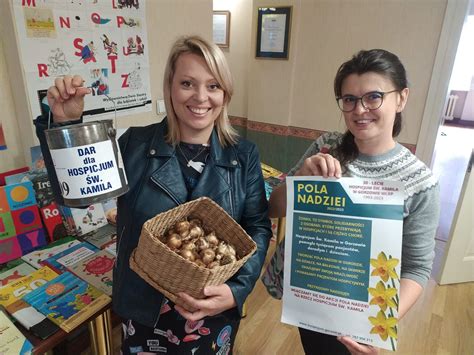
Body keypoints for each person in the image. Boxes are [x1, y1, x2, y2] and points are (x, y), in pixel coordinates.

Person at [35, 35, 272, 354]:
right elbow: (78, 189)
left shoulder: (243, 156)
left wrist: (236, 290)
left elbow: (257, 228)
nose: (201, 96)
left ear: (225, 93)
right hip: (146, 313)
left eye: (213, 85)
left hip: (213, 313)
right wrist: (66, 123)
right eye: (187, 83)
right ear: (170, 87)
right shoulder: (134, 145)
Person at [262, 49, 439, 355]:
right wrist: (301, 178)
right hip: (312, 294)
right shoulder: (326, 147)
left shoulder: (420, 183)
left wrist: (380, 325)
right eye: (349, 100)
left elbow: (417, 268)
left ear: (401, 98)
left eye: (374, 97)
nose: (360, 110)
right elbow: (272, 208)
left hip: (361, 313)